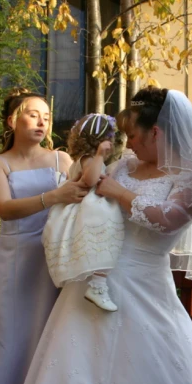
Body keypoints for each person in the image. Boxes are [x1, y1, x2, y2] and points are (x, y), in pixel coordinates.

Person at [4, 87, 192, 384]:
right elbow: (89, 191)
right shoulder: (125, 166)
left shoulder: (191, 176)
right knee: (75, 376)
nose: (129, 145)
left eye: (133, 135)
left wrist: (117, 192)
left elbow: (170, 218)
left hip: (146, 286)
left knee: (144, 379)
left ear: (156, 132)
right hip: (93, 279)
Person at [0, 89, 88, 384]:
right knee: (9, 346)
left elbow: (82, 203)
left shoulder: (61, 159)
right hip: (15, 261)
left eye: (46, 117)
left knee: (48, 344)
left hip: (52, 262)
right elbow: (3, 208)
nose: (42, 121)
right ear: (12, 120)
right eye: (33, 114)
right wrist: (52, 197)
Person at [43, 113, 126, 311]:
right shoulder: (88, 159)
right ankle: (97, 286)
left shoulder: (84, 158)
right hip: (91, 209)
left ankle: (98, 284)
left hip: (86, 208)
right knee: (106, 239)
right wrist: (99, 156)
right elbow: (90, 180)